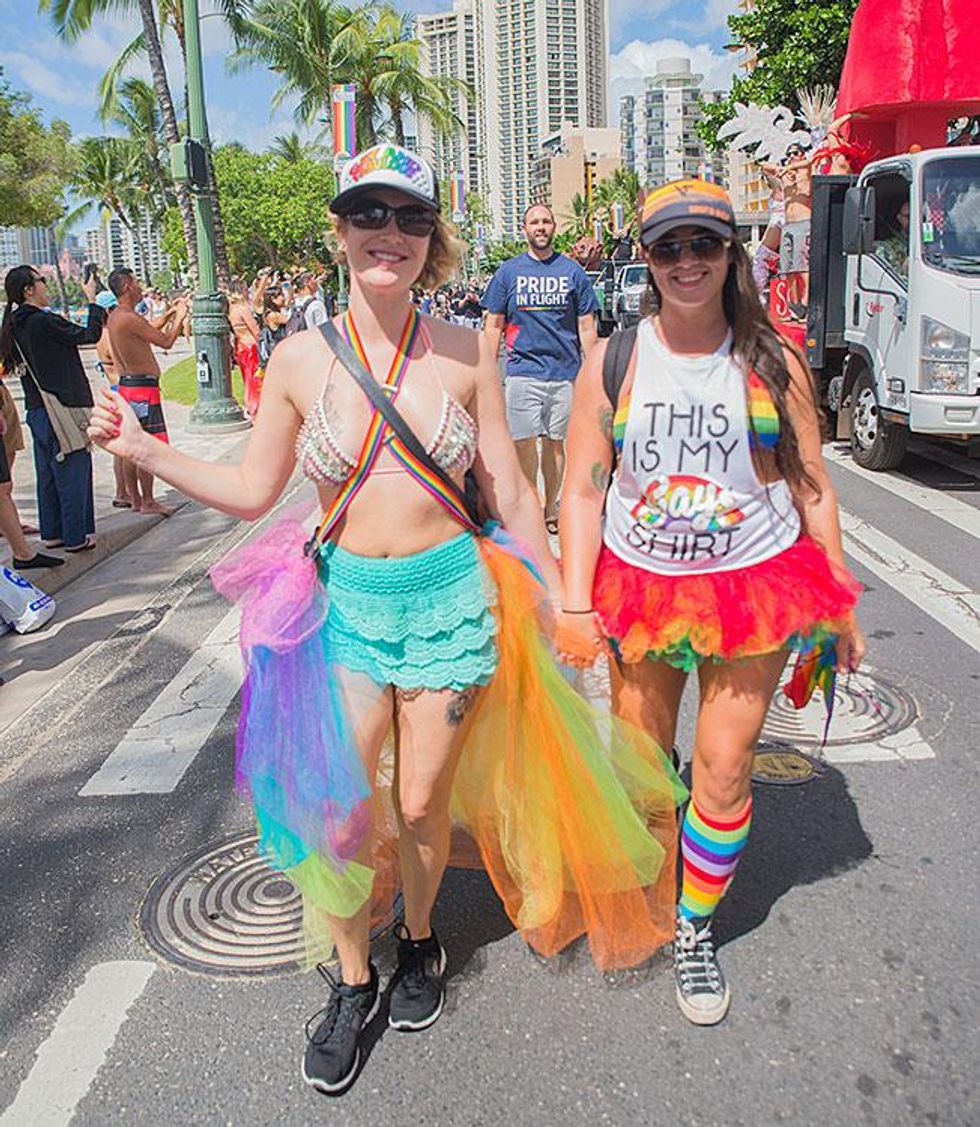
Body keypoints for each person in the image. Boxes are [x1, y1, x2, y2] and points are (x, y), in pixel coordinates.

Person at [88, 144, 682, 1095]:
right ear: (340, 232)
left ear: (431, 242)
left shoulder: (465, 351)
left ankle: (417, 940)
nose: (389, 235)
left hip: (452, 600)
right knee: (334, 811)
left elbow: (510, 493)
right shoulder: (293, 360)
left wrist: (570, 593)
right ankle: (351, 979)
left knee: (418, 807)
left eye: (409, 219)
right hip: (346, 607)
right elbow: (251, 490)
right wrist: (145, 452)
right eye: (369, 214)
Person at [558, 179, 865, 1027]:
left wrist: (837, 597)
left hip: (752, 587)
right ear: (646, 260)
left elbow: (813, 488)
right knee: (644, 763)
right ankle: (659, 877)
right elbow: (583, 492)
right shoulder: (612, 360)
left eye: (705, 244)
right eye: (669, 247)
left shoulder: (775, 358)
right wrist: (574, 602)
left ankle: (694, 922)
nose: (688, 261)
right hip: (640, 587)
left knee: (723, 768)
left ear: (731, 254)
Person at [483, 203, 598, 535]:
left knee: (555, 443)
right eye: (534, 222)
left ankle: (551, 506)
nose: (541, 226)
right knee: (523, 441)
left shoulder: (572, 273)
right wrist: (487, 373)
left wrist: (593, 374)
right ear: (525, 229)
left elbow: (587, 328)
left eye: (547, 221)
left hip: (564, 373)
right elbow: (493, 326)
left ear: (554, 228)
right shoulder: (508, 273)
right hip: (522, 372)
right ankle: (531, 503)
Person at [0, 265, 103, 554]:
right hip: (62, 406)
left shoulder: (13, 325)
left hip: (37, 408)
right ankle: (76, 535)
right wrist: (92, 300)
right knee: (74, 469)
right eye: (41, 281)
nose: (46, 286)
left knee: (47, 472)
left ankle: (53, 532)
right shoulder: (42, 322)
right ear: (29, 290)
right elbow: (88, 335)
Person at [105, 267, 187, 515]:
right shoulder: (129, 318)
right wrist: (181, 317)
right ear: (128, 286)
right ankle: (148, 500)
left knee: (131, 446)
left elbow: (148, 327)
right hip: (143, 388)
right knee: (147, 445)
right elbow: (165, 341)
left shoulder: (118, 316)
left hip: (129, 386)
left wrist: (171, 312)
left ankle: (137, 500)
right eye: (137, 282)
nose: (141, 287)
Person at [93, 290, 131, 509]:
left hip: (114, 388)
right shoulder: (109, 335)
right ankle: (124, 491)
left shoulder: (100, 333)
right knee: (125, 448)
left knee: (120, 448)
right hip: (122, 389)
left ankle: (123, 491)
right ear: (109, 311)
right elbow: (123, 363)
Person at [228, 281, 264, 419]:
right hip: (250, 346)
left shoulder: (232, 309)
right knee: (255, 380)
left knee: (247, 379)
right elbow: (255, 330)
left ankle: (251, 407)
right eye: (244, 289)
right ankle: (256, 409)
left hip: (240, 346)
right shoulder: (243, 308)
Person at [876, 198, 910, 280]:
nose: (914, 220)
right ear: (899, 218)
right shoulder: (884, 247)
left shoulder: (930, 246)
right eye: (908, 216)